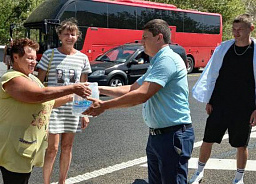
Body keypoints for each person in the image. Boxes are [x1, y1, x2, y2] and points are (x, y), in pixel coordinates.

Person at [83, 19, 194, 184]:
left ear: (159, 37)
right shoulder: (156, 62)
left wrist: (104, 106)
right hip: (158, 136)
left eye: (145, 37)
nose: (141, 42)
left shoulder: (167, 60)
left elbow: (142, 95)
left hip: (172, 136)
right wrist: (97, 89)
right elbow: (132, 88)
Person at [0, 38, 91, 184]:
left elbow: (48, 102)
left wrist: (73, 97)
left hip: (25, 145)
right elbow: (39, 96)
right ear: (16, 57)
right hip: (12, 145)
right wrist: (73, 88)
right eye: (30, 58)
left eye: (35, 58)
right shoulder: (11, 78)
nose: (34, 62)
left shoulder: (31, 78)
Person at [190, 14, 256, 184]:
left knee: (241, 144)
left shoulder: (255, 52)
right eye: (234, 29)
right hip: (220, 104)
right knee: (207, 139)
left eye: (240, 29)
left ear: (251, 29)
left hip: (245, 108)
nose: (236, 33)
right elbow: (212, 75)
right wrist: (209, 100)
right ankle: (199, 172)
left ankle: (239, 178)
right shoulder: (224, 49)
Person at [36, 19, 92, 184]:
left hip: (72, 109)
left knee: (67, 147)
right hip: (53, 108)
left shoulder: (82, 58)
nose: (70, 37)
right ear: (59, 35)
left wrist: (84, 113)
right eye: (66, 33)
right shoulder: (49, 55)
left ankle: (62, 181)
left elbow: (84, 88)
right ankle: (46, 182)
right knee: (52, 149)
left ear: (77, 37)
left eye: (73, 34)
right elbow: (39, 84)